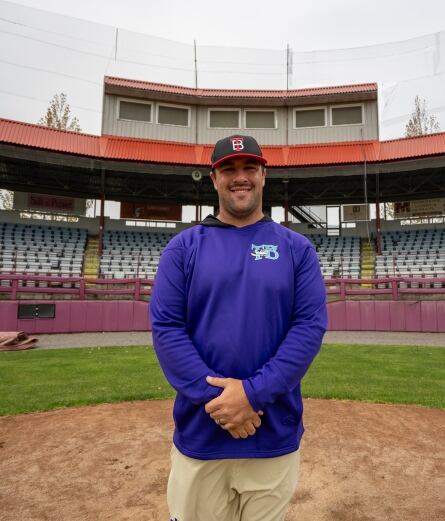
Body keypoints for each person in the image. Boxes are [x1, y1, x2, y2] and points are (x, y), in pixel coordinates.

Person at [150, 135, 327, 521]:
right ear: (214, 178)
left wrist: (252, 395)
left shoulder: (297, 249)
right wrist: (222, 404)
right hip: (202, 436)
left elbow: (309, 327)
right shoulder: (183, 248)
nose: (240, 177)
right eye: (228, 169)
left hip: (273, 435)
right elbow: (167, 329)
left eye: (249, 167)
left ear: (264, 175)